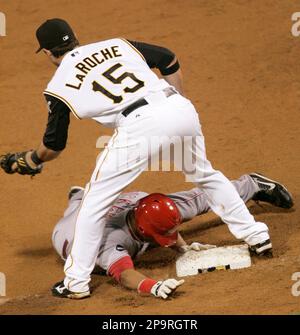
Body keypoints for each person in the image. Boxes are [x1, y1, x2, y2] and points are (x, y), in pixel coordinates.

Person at [0, 18, 287, 299]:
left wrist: (32, 159)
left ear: (48, 53)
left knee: (94, 202)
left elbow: (54, 145)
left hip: (138, 125)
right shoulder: (115, 44)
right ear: (74, 38)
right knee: (205, 174)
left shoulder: (57, 86)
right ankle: (256, 236)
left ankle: (75, 283)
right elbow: (168, 59)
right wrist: (178, 104)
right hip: (176, 107)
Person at [52, 173, 293, 299]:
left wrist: (184, 248)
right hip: (69, 230)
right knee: (80, 206)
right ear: (143, 231)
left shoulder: (145, 203)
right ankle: (78, 195)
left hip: (124, 203)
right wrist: (152, 286)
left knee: (198, 199)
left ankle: (252, 183)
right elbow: (124, 274)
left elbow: (204, 195)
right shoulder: (106, 243)